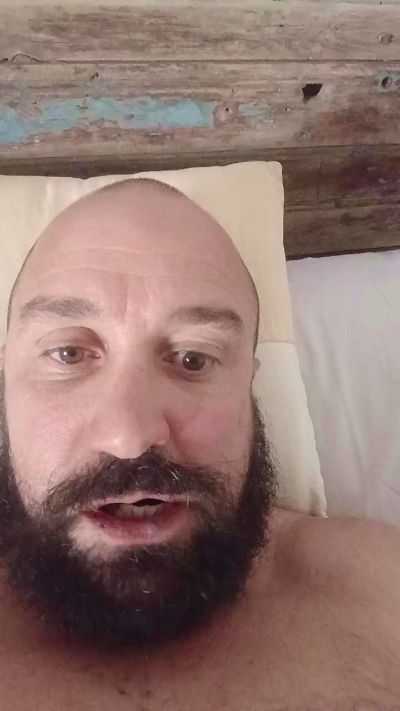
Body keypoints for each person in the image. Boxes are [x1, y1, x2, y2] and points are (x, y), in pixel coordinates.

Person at [0, 178, 399, 711]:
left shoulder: (383, 597)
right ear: (6, 372)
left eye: (193, 359)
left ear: (249, 384)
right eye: (68, 354)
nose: (129, 436)